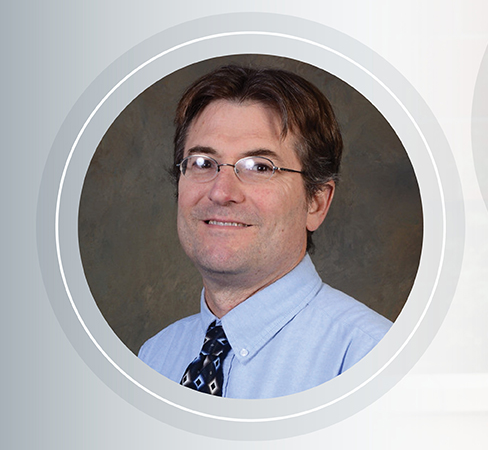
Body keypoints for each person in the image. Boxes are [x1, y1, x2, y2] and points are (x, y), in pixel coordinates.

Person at [138, 65, 391, 399]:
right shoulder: (155, 358)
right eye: (202, 162)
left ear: (315, 202)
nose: (221, 192)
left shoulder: (371, 360)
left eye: (259, 167)